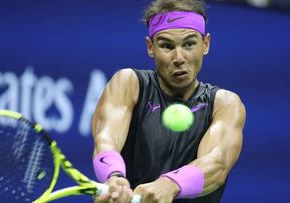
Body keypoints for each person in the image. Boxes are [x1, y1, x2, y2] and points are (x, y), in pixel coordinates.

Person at [91, 0, 246, 202]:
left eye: (189, 44)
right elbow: (106, 140)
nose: (178, 57)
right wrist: (114, 176)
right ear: (150, 47)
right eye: (166, 45)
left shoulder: (225, 104)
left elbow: (217, 164)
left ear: (205, 44)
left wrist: (169, 185)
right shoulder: (128, 83)